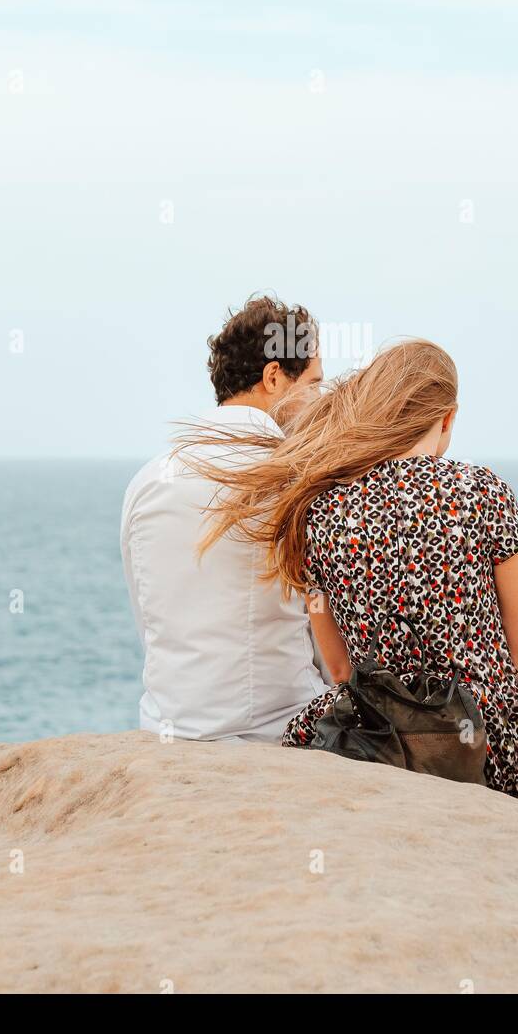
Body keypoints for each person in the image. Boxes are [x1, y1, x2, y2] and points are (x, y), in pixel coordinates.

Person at [185, 339, 518, 803]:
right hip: (480, 735)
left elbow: (340, 668)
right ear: (448, 417)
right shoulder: (484, 492)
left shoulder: (321, 508)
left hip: (375, 736)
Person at [121, 295, 328, 742]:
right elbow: (324, 632)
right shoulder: (296, 480)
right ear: (274, 377)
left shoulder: (149, 478)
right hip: (280, 729)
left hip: (168, 728)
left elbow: (149, 619)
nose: (319, 402)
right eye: (313, 385)